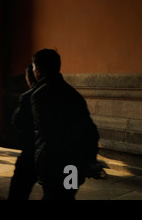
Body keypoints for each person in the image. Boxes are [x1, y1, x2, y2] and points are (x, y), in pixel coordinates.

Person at [31, 49, 100, 200]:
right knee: (68, 196)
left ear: (39, 70)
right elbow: (90, 130)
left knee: (53, 196)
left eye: (34, 67)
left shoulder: (40, 94)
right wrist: (89, 159)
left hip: (54, 164)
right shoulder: (72, 92)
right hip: (74, 163)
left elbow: (47, 133)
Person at [8, 64, 38, 200]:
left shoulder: (30, 96)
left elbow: (17, 121)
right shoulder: (69, 94)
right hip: (63, 155)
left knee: (18, 190)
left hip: (33, 150)